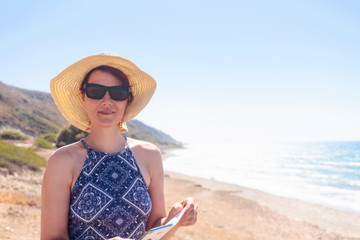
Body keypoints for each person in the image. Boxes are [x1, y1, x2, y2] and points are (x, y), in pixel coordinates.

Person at [41, 53, 198, 240]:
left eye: (117, 93)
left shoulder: (150, 155)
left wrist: (174, 219)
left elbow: (155, 230)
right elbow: (52, 237)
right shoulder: (62, 161)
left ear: (127, 100)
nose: (107, 101)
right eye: (95, 91)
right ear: (83, 96)